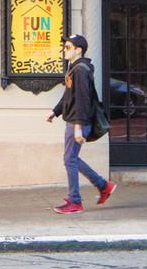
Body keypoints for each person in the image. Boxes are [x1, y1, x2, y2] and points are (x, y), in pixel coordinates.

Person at [46, 33, 114, 213]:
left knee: (69, 159)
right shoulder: (75, 68)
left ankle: (75, 201)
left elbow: (83, 100)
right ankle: (102, 186)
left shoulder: (81, 70)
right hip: (75, 120)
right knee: (71, 158)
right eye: (64, 47)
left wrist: (78, 127)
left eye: (68, 47)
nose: (64, 50)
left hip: (78, 121)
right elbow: (69, 96)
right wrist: (55, 111)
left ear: (78, 50)